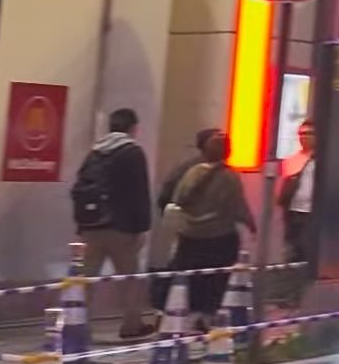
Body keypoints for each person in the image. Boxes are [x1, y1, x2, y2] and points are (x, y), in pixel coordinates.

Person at [152, 126, 255, 328]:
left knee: (187, 276)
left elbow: (177, 198)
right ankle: (206, 317)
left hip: (191, 235)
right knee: (215, 280)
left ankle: (174, 313)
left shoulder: (191, 172)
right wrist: (250, 224)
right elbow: (238, 207)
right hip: (221, 236)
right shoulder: (230, 176)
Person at [71, 107, 153, 336]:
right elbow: (140, 192)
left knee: (85, 280)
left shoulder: (95, 152)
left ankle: (77, 325)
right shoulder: (132, 152)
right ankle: (131, 325)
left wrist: (82, 225)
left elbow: (81, 190)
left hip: (91, 226)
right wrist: (142, 227)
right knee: (128, 279)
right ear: (133, 128)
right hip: (122, 229)